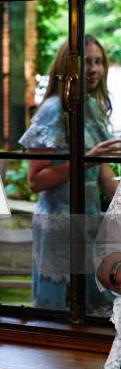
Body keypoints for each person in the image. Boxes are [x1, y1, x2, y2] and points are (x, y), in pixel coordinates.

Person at [19, 35, 119, 313]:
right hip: (57, 230)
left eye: (99, 62)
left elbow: (105, 176)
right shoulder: (52, 110)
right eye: (87, 62)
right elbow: (35, 180)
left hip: (89, 225)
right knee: (59, 317)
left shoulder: (92, 109)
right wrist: (87, 161)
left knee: (93, 313)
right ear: (68, 67)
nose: (94, 69)